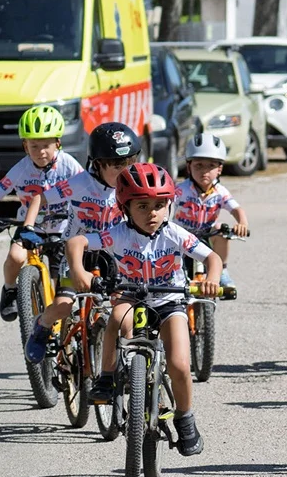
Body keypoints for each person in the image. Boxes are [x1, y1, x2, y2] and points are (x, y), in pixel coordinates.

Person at [90, 161, 226, 456]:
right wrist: (79, 270)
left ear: (169, 205)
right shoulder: (117, 234)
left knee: (179, 364)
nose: (152, 213)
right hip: (131, 296)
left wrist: (212, 278)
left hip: (169, 301)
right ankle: (107, 378)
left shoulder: (175, 234)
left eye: (158, 205)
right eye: (142, 206)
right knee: (115, 316)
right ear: (125, 208)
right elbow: (77, 243)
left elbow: (212, 258)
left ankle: (185, 417)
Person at [0, 104, 82, 322]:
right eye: (33, 146)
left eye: (46, 145)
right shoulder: (21, 168)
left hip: (63, 228)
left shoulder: (69, 165)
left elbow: (86, 190)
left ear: (58, 143)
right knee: (15, 256)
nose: (40, 152)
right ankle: (9, 290)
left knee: (59, 289)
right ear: (25, 146)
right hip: (29, 226)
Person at [43, 122, 140, 368]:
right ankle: (41, 327)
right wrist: (30, 223)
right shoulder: (80, 182)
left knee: (124, 313)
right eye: (117, 166)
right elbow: (40, 197)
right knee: (64, 306)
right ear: (97, 164)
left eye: (130, 163)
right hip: (78, 254)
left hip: (111, 257)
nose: (125, 171)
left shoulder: (133, 188)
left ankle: (132, 367)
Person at [173, 132, 250, 284]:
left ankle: (221, 271)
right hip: (182, 235)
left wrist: (242, 223)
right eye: (199, 165)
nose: (204, 171)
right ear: (189, 166)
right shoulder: (181, 190)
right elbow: (166, 205)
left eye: (211, 166)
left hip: (208, 234)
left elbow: (236, 209)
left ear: (219, 169)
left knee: (221, 228)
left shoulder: (220, 192)